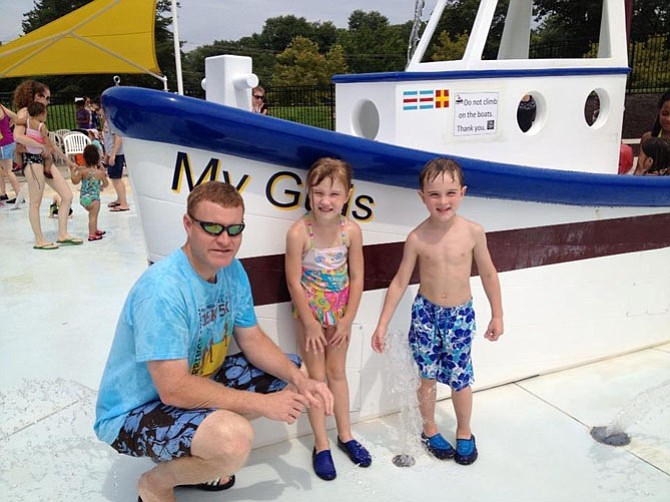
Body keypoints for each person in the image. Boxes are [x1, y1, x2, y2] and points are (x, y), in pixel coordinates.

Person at [94, 181, 334, 502]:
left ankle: (197, 455)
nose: (225, 240)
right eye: (212, 228)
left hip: (188, 385)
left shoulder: (232, 271)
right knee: (234, 441)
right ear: (188, 225)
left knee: (286, 372)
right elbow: (173, 389)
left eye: (234, 229)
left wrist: (302, 380)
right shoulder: (163, 290)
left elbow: (252, 339)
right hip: (133, 412)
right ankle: (156, 482)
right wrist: (263, 405)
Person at [371, 157, 503, 466]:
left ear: (462, 193)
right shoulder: (416, 238)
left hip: (459, 316)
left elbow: (488, 273)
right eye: (434, 194)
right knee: (426, 377)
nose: (443, 201)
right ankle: (429, 429)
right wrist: (382, 324)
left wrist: (497, 314)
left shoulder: (473, 232)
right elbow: (400, 280)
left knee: (461, 378)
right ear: (422, 197)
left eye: (450, 193)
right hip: (426, 315)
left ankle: (465, 431)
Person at [285, 158, 370, 480]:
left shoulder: (352, 232)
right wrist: (308, 322)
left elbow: (358, 278)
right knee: (316, 377)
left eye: (334, 194)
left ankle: (345, 435)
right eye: (318, 192)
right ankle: (321, 444)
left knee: (337, 373)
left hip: (340, 316)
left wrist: (348, 320)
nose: (325, 201)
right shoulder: (299, 233)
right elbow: (294, 281)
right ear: (308, 191)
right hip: (310, 317)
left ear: (348, 195)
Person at [13, 80, 82, 248]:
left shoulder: (38, 114)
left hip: (44, 161)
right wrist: (40, 146)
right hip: (33, 161)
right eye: (46, 98)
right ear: (37, 96)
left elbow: (50, 143)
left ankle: (62, 234)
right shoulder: (25, 113)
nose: (48, 102)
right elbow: (17, 136)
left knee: (67, 196)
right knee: (35, 202)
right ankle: (39, 240)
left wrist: (68, 162)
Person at [70, 144, 109, 241]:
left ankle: (94, 229)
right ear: (97, 159)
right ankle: (92, 234)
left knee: (91, 215)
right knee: (93, 216)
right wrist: (100, 187)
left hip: (84, 199)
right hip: (94, 200)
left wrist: (72, 172)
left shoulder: (83, 172)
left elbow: (75, 181)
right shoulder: (100, 173)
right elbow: (106, 184)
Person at [101, 108, 130, 211]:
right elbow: (108, 140)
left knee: (117, 178)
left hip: (117, 154)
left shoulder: (113, 121)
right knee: (113, 177)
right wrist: (107, 156)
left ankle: (124, 203)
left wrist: (113, 155)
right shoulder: (107, 121)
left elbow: (118, 139)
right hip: (112, 153)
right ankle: (119, 199)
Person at [0, 103, 23, 204]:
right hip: (7, 141)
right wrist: (10, 124)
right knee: (2, 170)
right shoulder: (3, 108)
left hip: (4, 143)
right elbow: (15, 116)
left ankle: (19, 195)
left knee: (8, 170)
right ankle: (2, 193)